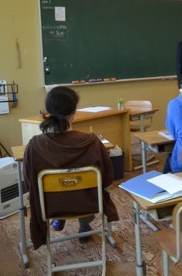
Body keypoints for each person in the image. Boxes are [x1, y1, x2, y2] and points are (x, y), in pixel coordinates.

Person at [23, 86, 119, 249]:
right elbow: (107, 179)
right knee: (85, 189)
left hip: (50, 206)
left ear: (47, 110)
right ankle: (84, 225)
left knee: (61, 188)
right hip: (88, 204)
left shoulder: (35, 145)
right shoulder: (92, 142)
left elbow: (28, 183)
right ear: (74, 112)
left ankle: (59, 217)